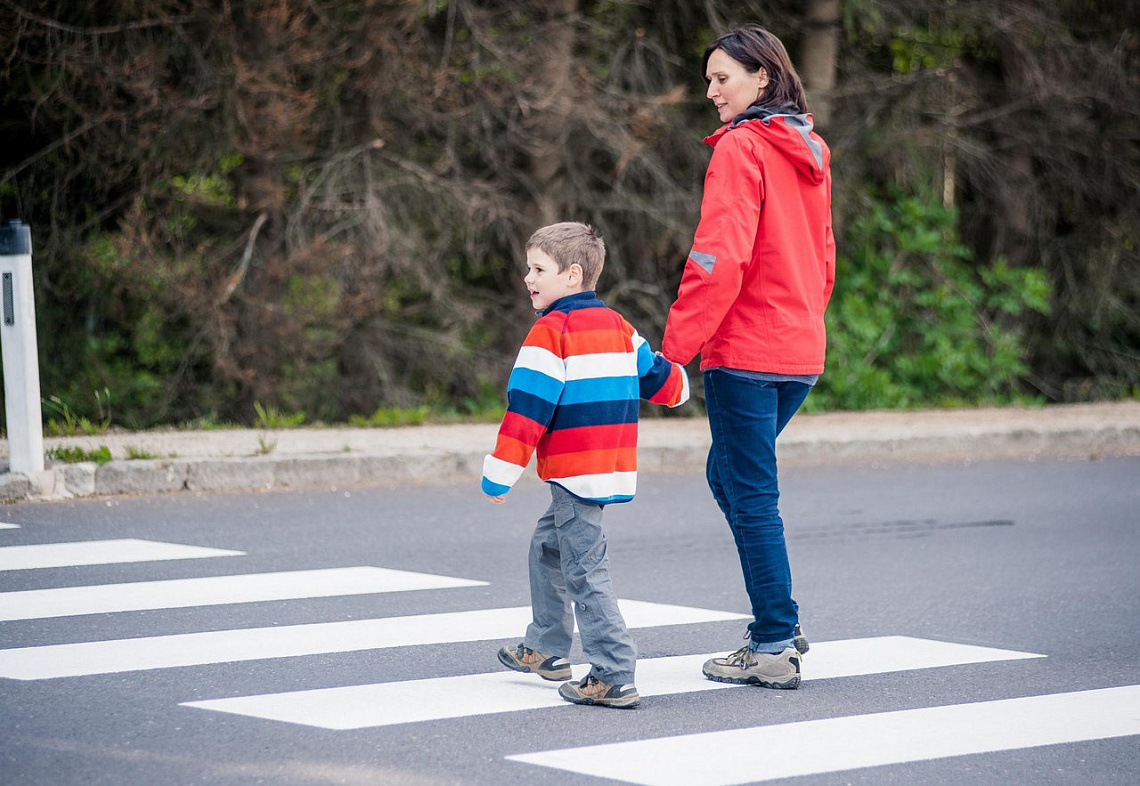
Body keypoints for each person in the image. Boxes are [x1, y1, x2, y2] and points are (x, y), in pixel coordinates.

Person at [661, 26, 835, 690]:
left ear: (762, 78)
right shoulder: (811, 148)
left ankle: (773, 640)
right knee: (729, 478)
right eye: (708, 80)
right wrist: (807, 327)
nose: (711, 92)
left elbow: (716, 259)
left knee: (751, 493)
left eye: (721, 79)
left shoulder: (742, 149)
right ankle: (775, 625)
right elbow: (825, 258)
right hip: (799, 350)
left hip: (746, 351)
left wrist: (676, 353)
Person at [483, 221, 689, 709]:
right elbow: (660, 380)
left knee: (585, 570)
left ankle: (613, 673)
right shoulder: (619, 327)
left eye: (538, 269)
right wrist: (681, 383)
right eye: (527, 268)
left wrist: (501, 471)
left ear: (572, 275)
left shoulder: (550, 332)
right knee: (547, 547)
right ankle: (547, 647)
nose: (527, 278)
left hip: (575, 473)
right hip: (606, 465)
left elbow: (527, 408)